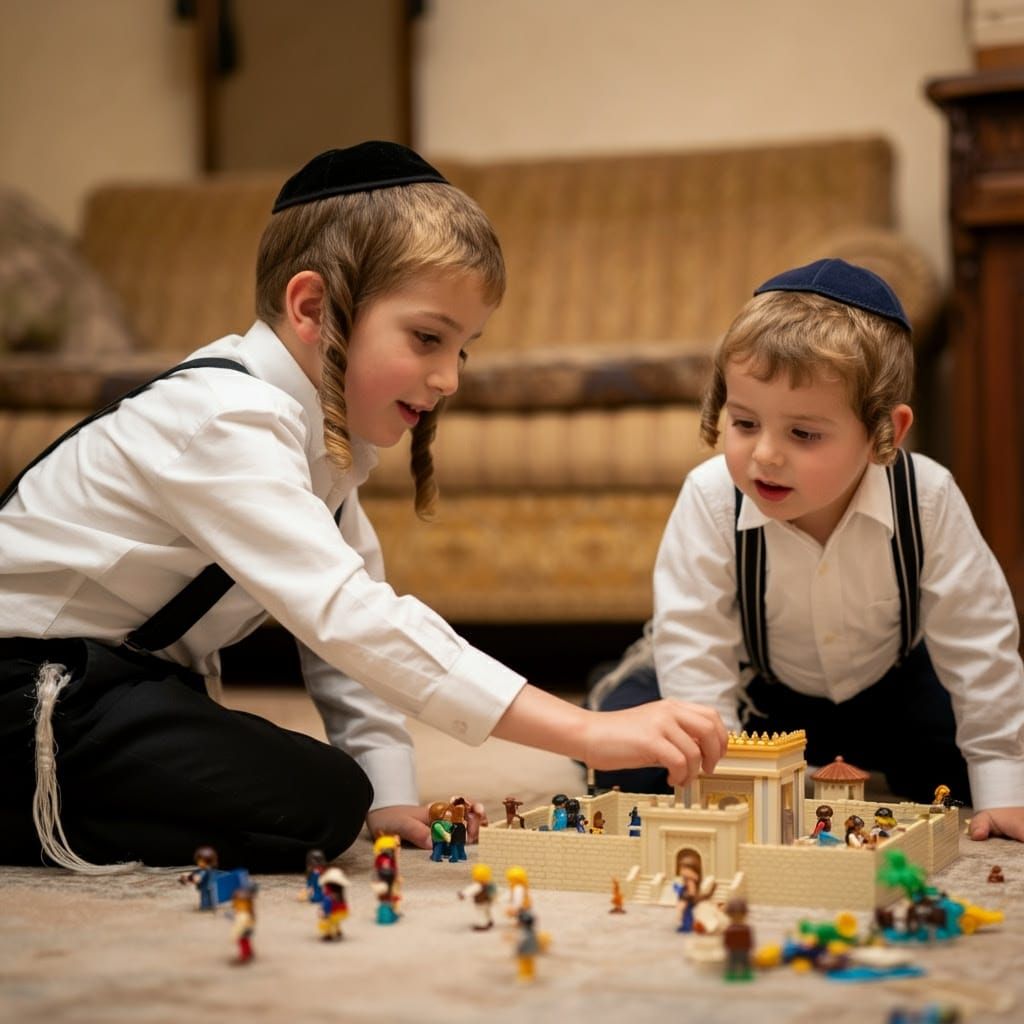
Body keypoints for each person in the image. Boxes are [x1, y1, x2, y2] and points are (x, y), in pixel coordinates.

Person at [0, 141, 727, 873]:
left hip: (122, 687)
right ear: (313, 308)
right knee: (315, 803)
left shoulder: (321, 448)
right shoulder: (226, 418)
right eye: (427, 338)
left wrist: (388, 795)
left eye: (463, 350)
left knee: (324, 806)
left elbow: (345, 653)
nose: (448, 378)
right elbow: (350, 617)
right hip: (29, 684)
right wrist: (587, 733)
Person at [588, 258, 1024, 844]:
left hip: (891, 683)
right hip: (759, 692)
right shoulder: (712, 497)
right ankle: (616, 679)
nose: (765, 455)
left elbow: (979, 643)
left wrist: (1003, 785)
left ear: (883, 434)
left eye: (803, 434)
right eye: (745, 423)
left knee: (962, 776)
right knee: (638, 767)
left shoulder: (926, 497)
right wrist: (727, 781)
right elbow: (698, 643)